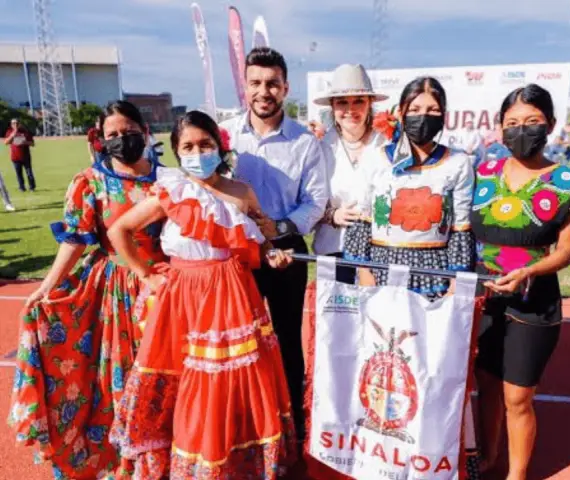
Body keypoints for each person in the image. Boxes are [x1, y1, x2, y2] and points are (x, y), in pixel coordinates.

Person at [108, 110, 297, 479]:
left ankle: (231, 459)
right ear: (177, 152)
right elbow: (120, 230)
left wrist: (271, 253)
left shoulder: (241, 192)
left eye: (205, 144)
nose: (198, 153)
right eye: (188, 147)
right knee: (186, 376)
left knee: (229, 379)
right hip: (183, 298)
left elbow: (261, 238)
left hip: (233, 295)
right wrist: (146, 274)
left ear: (219, 146)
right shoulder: (172, 191)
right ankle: (188, 458)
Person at [7, 101, 166, 479]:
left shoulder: (168, 179)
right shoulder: (91, 182)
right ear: (101, 140)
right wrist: (47, 286)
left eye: (129, 131)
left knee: (164, 376)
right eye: (113, 134)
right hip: (114, 290)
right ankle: (121, 461)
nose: (122, 139)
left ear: (145, 132)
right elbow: (74, 241)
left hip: (162, 288)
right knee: (117, 375)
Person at [350, 76, 480, 478]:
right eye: (416, 109)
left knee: (434, 369)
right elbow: (362, 219)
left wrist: (455, 286)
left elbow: (461, 229)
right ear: (401, 113)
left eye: (433, 110)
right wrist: (365, 277)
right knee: (382, 365)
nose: (424, 117)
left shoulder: (458, 163)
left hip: (432, 279)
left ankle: (440, 455)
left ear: (444, 115)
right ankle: (382, 457)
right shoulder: (376, 158)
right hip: (381, 277)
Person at [472, 84, 570, 480]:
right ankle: (488, 457)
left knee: (517, 396)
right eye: (511, 123)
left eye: (532, 121)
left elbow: (567, 251)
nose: (520, 130)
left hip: (533, 300)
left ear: (551, 125)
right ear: (500, 128)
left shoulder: (568, 183)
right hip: (483, 297)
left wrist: (528, 271)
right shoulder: (482, 174)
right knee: (486, 385)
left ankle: (517, 474)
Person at [221, 46, 329, 442]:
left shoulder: (304, 141)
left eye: (272, 83)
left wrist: (278, 226)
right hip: (237, 254)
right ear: (245, 86)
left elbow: (315, 201)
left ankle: (293, 425)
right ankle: (245, 422)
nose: (263, 91)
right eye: (255, 83)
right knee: (237, 339)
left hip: (286, 250)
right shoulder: (225, 136)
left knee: (287, 340)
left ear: (285, 88)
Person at [310, 63, 387, 284]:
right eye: (342, 102)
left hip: (378, 251)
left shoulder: (387, 145)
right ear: (332, 107)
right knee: (336, 307)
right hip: (332, 249)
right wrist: (331, 215)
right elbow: (307, 199)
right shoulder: (320, 148)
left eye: (358, 101)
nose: (350, 110)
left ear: (370, 104)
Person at [4, 118, 36, 192]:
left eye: (17, 123)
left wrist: (26, 142)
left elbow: (32, 143)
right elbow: (6, 142)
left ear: (20, 124)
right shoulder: (9, 131)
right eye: (13, 123)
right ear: (11, 124)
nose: (15, 124)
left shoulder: (25, 131)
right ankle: (21, 187)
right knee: (19, 174)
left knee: (29, 173)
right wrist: (12, 135)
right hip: (15, 157)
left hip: (25, 156)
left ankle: (32, 187)